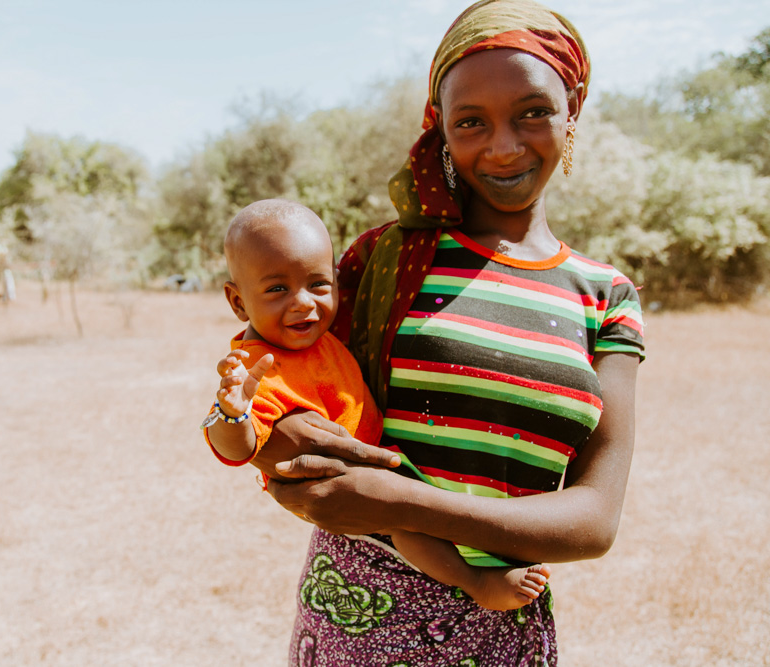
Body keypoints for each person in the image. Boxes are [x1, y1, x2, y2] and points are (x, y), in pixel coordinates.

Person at [242, 0, 646, 664]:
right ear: (440, 129)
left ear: (572, 109)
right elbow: (275, 391)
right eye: (471, 121)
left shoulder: (606, 297)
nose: (504, 144)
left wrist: (403, 498)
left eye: (533, 112)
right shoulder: (384, 260)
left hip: (506, 613)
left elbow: (594, 520)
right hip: (358, 610)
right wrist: (277, 448)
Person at [202, 198, 550, 612]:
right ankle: (476, 582)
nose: (302, 302)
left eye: (317, 284)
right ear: (238, 302)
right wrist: (232, 411)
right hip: (351, 491)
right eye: (277, 289)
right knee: (410, 527)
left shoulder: (321, 336)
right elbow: (237, 447)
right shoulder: (260, 369)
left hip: (380, 463)